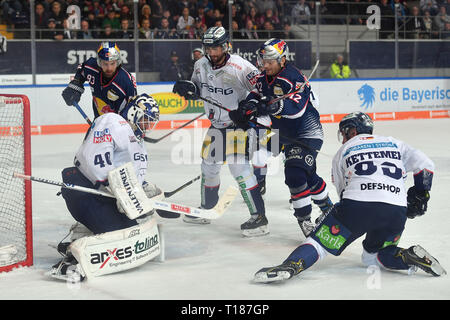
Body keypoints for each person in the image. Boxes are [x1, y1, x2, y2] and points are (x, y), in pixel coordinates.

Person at [254, 111, 446, 282]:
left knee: (319, 244)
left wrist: (335, 222)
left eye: (344, 132)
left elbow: (343, 193)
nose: (343, 137)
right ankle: (407, 256)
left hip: (357, 205)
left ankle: (291, 266)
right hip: (396, 210)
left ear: (352, 131)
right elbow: (426, 164)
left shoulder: (343, 151)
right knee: (373, 256)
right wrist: (421, 193)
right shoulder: (393, 142)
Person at [49, 94, 163, 281]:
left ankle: (81, 236)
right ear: (134, 112)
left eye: (152, 122)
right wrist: (117, 190)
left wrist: (146, 194)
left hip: (105, 196)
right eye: (146, 120)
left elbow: (132, 178)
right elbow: (93, 160)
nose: (149, 126)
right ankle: (70, 263)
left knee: (132, 231)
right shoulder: (114, 121)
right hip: (84, 190)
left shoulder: (139, 144)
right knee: (121, 237)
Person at [172, 26, 269, 237]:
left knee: (239, 168)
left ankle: (259, 218)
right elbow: (197, 89)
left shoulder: (241, 67)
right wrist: (187, 89)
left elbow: (261, 90)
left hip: (237, 127)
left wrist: (249, 109)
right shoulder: (200, 65)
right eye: (209, 48)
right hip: (216, 126)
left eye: (216, 48)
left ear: (226, 46)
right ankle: (207, 209)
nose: (213, 53)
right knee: (208, 167)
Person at [233, 38, 333, 238]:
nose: (266, 65)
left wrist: (272, 106)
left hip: (306, 133)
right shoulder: (263, 78)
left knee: (295, 174)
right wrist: (246, 109)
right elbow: (255, 94)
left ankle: (305, 220)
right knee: (306, 174)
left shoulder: (292, 77)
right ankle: (329, 209)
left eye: (270, 61)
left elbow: (296, 109)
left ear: (282, 59)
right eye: (263, 60)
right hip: (284, 134)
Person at [61, 42, 137, 119]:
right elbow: (82, 69)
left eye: (112, 63)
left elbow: (132, 112)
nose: (109, 68)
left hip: (120, 123)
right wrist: (76, 83)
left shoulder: (126, 82)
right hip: (99, 120)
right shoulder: (91, 66)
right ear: (99, 62)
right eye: (105, 64)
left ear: (117, 62)